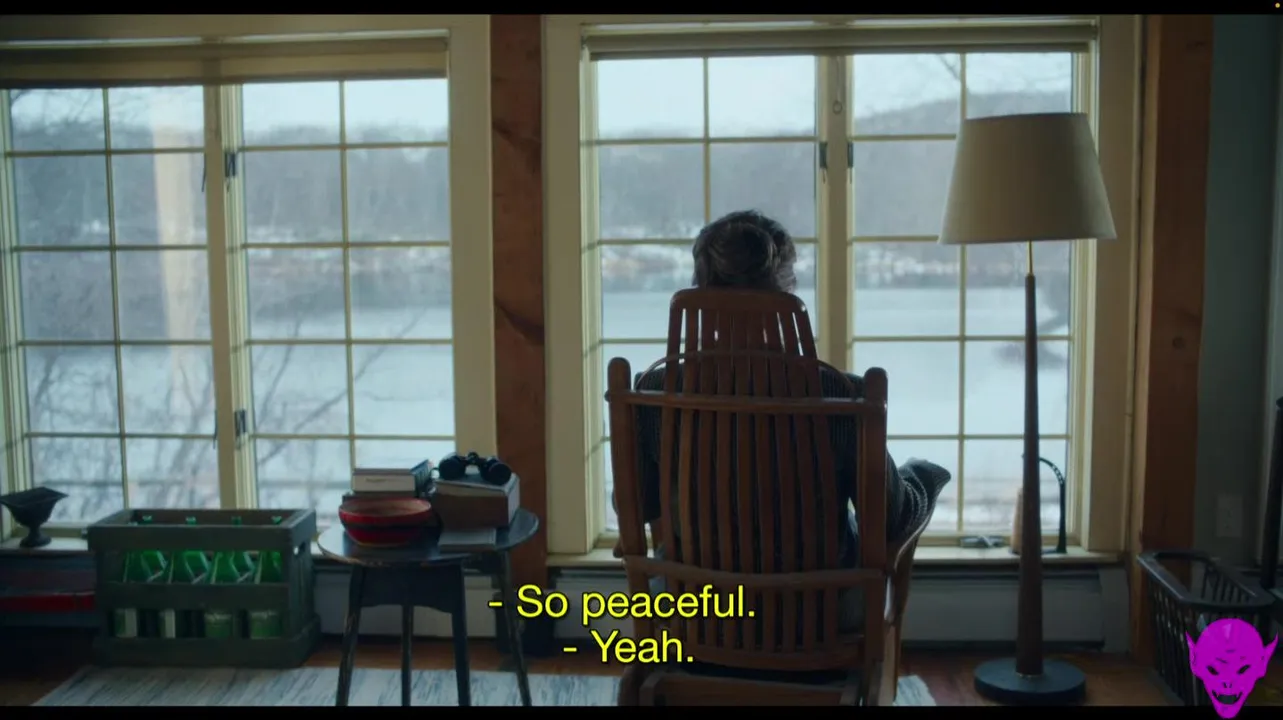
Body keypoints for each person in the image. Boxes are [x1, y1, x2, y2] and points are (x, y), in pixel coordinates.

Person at [611, 209, 951, 632]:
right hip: (815, 622)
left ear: (700, 289)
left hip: (696, 617)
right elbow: (887, 518)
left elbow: (636, 505)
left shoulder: (655, 392)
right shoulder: (840, 393)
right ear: (787, 291)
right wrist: (923, 479)